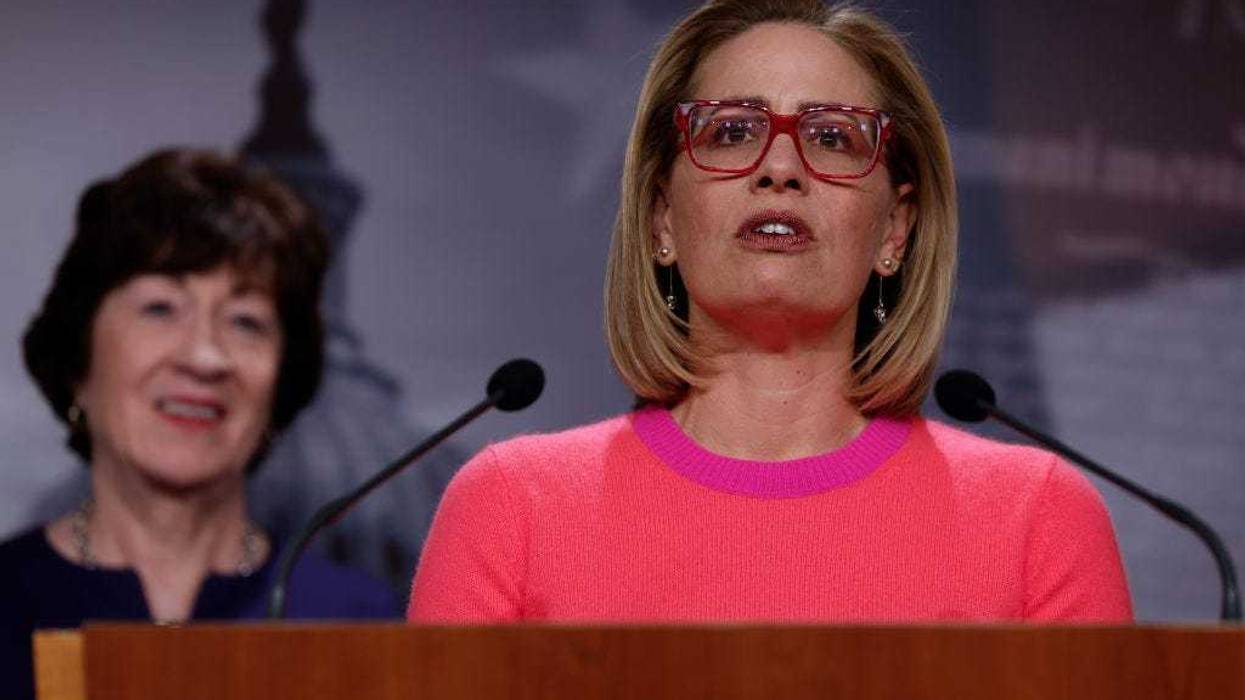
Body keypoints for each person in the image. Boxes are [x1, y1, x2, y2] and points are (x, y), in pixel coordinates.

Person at [408, 0, 1132, 623]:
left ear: (893, 231)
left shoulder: (1036, 520)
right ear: (661, 217)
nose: (778, 168)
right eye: (729, 131)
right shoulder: (512, 509)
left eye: (830, 137)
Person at [0, 148, 399, 699]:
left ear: (281, 384)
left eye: (246, 322)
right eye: (161, 308)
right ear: (78, 364)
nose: (206, 357)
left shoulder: (359, 622)